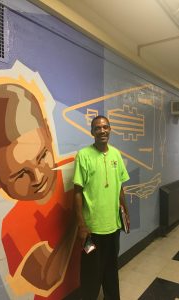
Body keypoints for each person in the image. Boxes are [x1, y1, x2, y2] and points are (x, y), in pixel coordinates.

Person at [0, 83, 80, 299]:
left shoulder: (75, 166)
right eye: (20, 174)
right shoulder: (10, 228)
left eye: (42, 156)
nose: (38, 178)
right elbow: (48, 277)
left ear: (48, 132)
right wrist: (78, 215)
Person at [73, 115, 130, 300]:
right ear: (92, 132)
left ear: (110, 129)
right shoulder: (84, 155)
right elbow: (77, 192)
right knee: (91, 276)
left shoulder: (116, 154)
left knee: (111, 272)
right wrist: (82, 225)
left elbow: (120, 186)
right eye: (98, 128)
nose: (102, 130)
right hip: (92, 229)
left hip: (113, 226)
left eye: (105, 127)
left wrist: (125, 213)